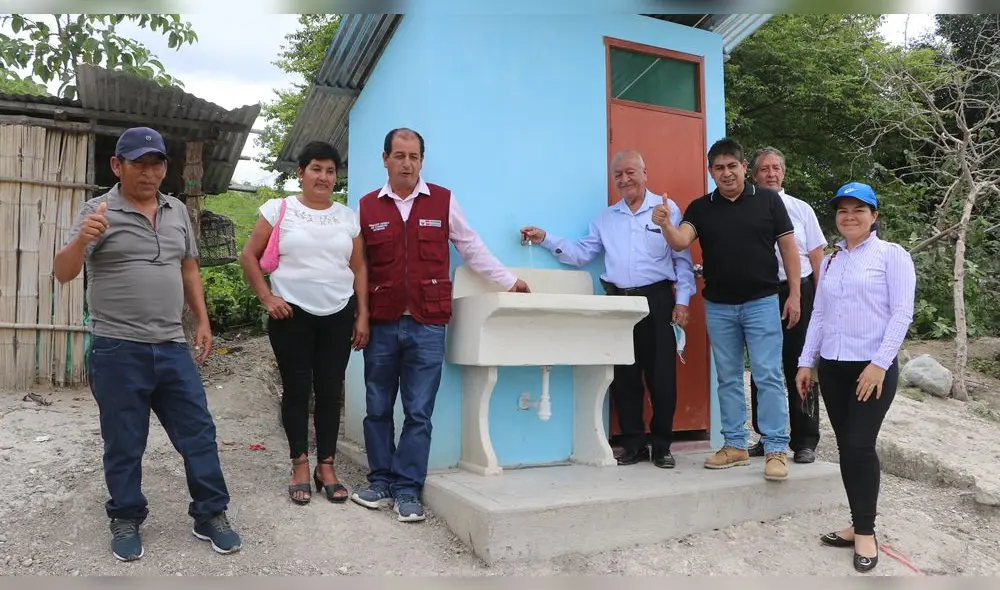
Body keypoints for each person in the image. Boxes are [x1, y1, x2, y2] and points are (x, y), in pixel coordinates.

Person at [53, 127, 240, 561]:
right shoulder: (97, 210)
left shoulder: (176, 211)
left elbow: (189, 269)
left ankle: (210, 514)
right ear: (117, 166)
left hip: (172, 345)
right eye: (139, 163)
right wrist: (83, 239)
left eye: (157, 163)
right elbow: (62, 272)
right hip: (118, 348)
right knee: (124, 440)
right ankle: (125, 516)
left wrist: (203, 322)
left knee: (198, 433)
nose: (150, 172)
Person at [351, 128, 531, 522]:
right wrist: (358, 315)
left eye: (414, 156)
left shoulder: (443, 201)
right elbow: (356, 267)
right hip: (381, 324)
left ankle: (407, 488)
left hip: (427, 324)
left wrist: (508, 281)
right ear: (385, 159)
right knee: (377, 407)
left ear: (421, 161)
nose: (407, 163)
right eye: (399, 155)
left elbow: (471, 247)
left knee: (418, 411)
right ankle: (380, 480)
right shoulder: (366, 207)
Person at [520, 150, 696, 469]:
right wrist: (546, 238)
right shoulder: (605, 218)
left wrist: (683, 300)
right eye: (619, 175)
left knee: (662, 378)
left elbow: (682, 262)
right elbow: (580, 253)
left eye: (631, 172)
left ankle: (662, 446)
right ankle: (633, 445)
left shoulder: (665, 210)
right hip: (618, 302)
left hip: (657, 301)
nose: (625, 179)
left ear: (645, 173)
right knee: (624, 376)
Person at [652, 137, 800, 481]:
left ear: (744, 167)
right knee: (728, 378)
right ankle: (734, 445)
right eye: (719, 168)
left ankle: (776, 448)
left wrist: (794, 293)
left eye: (732, 166)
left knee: (767, 375)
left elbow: (790, 250)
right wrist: (664, 224)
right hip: (719, 306)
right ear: (710, 172)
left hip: (763, 302)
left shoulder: (768, 201)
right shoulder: (701, 207)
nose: (727, 173)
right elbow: (680, 241)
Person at [795, 182, 915, 573]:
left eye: (859, 209)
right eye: (843, 210)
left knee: (860, 445)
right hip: (833, 368)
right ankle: (855, 522)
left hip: (872, 370)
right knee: (847, 447)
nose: (850, 216)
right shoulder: (830, 261)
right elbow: (820, 315)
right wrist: (805, 362)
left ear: (874, 216)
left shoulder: (891, 256)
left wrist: (880, 364)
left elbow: (901, 313)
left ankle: (865, 531)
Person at [240, 141, 367, 505]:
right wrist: (267, 297)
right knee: (297, 390)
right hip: (291, 314)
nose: (323, 177)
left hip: (339, 313)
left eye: (330, 171)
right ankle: (299, 463)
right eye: (316, 169)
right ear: (301, 172)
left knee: (330, 391)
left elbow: (358, 267)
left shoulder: (346, 217)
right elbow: (248, 255)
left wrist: (363, 314)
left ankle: (326, 465)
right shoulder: (278, 209)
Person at [746, 147, 827, 464]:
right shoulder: (747, 207)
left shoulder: (801, 208)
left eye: (776, 167)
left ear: (784, 173)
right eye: (764, 168)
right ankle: (767, 436)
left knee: (802, 364)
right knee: (763, 370)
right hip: (760, 294)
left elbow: (817, 254)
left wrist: (822, 299)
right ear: (754, 175)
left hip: (801, 292)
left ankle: (805, 439)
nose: (770, 173)